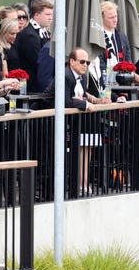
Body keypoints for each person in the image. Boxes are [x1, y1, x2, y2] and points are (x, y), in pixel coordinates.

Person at [44, 47, 110, 196]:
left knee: (86, 147)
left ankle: (83, 182)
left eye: (87, 62)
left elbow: (83, 93)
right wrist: (86, 105)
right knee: (70, 153)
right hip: (52, 120)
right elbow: (66, 101)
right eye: (82, 62)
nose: (85, 65)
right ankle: (75, 184)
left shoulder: (83, 76)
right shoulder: (65, 75)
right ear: (72, 61)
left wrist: (96, 100)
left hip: (75, 120)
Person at [12, 0, 54, 92]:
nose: (50, 18)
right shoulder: (29, 35)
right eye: (47, 14)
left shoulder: (43, 32)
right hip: (30, 88)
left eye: (51, 14)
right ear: (37, 15)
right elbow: (38, 63)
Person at [99, 1, 132, 74]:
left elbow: (128, 60)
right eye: (111, 17)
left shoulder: (122, 37)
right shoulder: (98, 37)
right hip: (105, 78)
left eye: (116, 16)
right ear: (102, 18)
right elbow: (99, 61)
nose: (115, 20)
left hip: (122, 79)